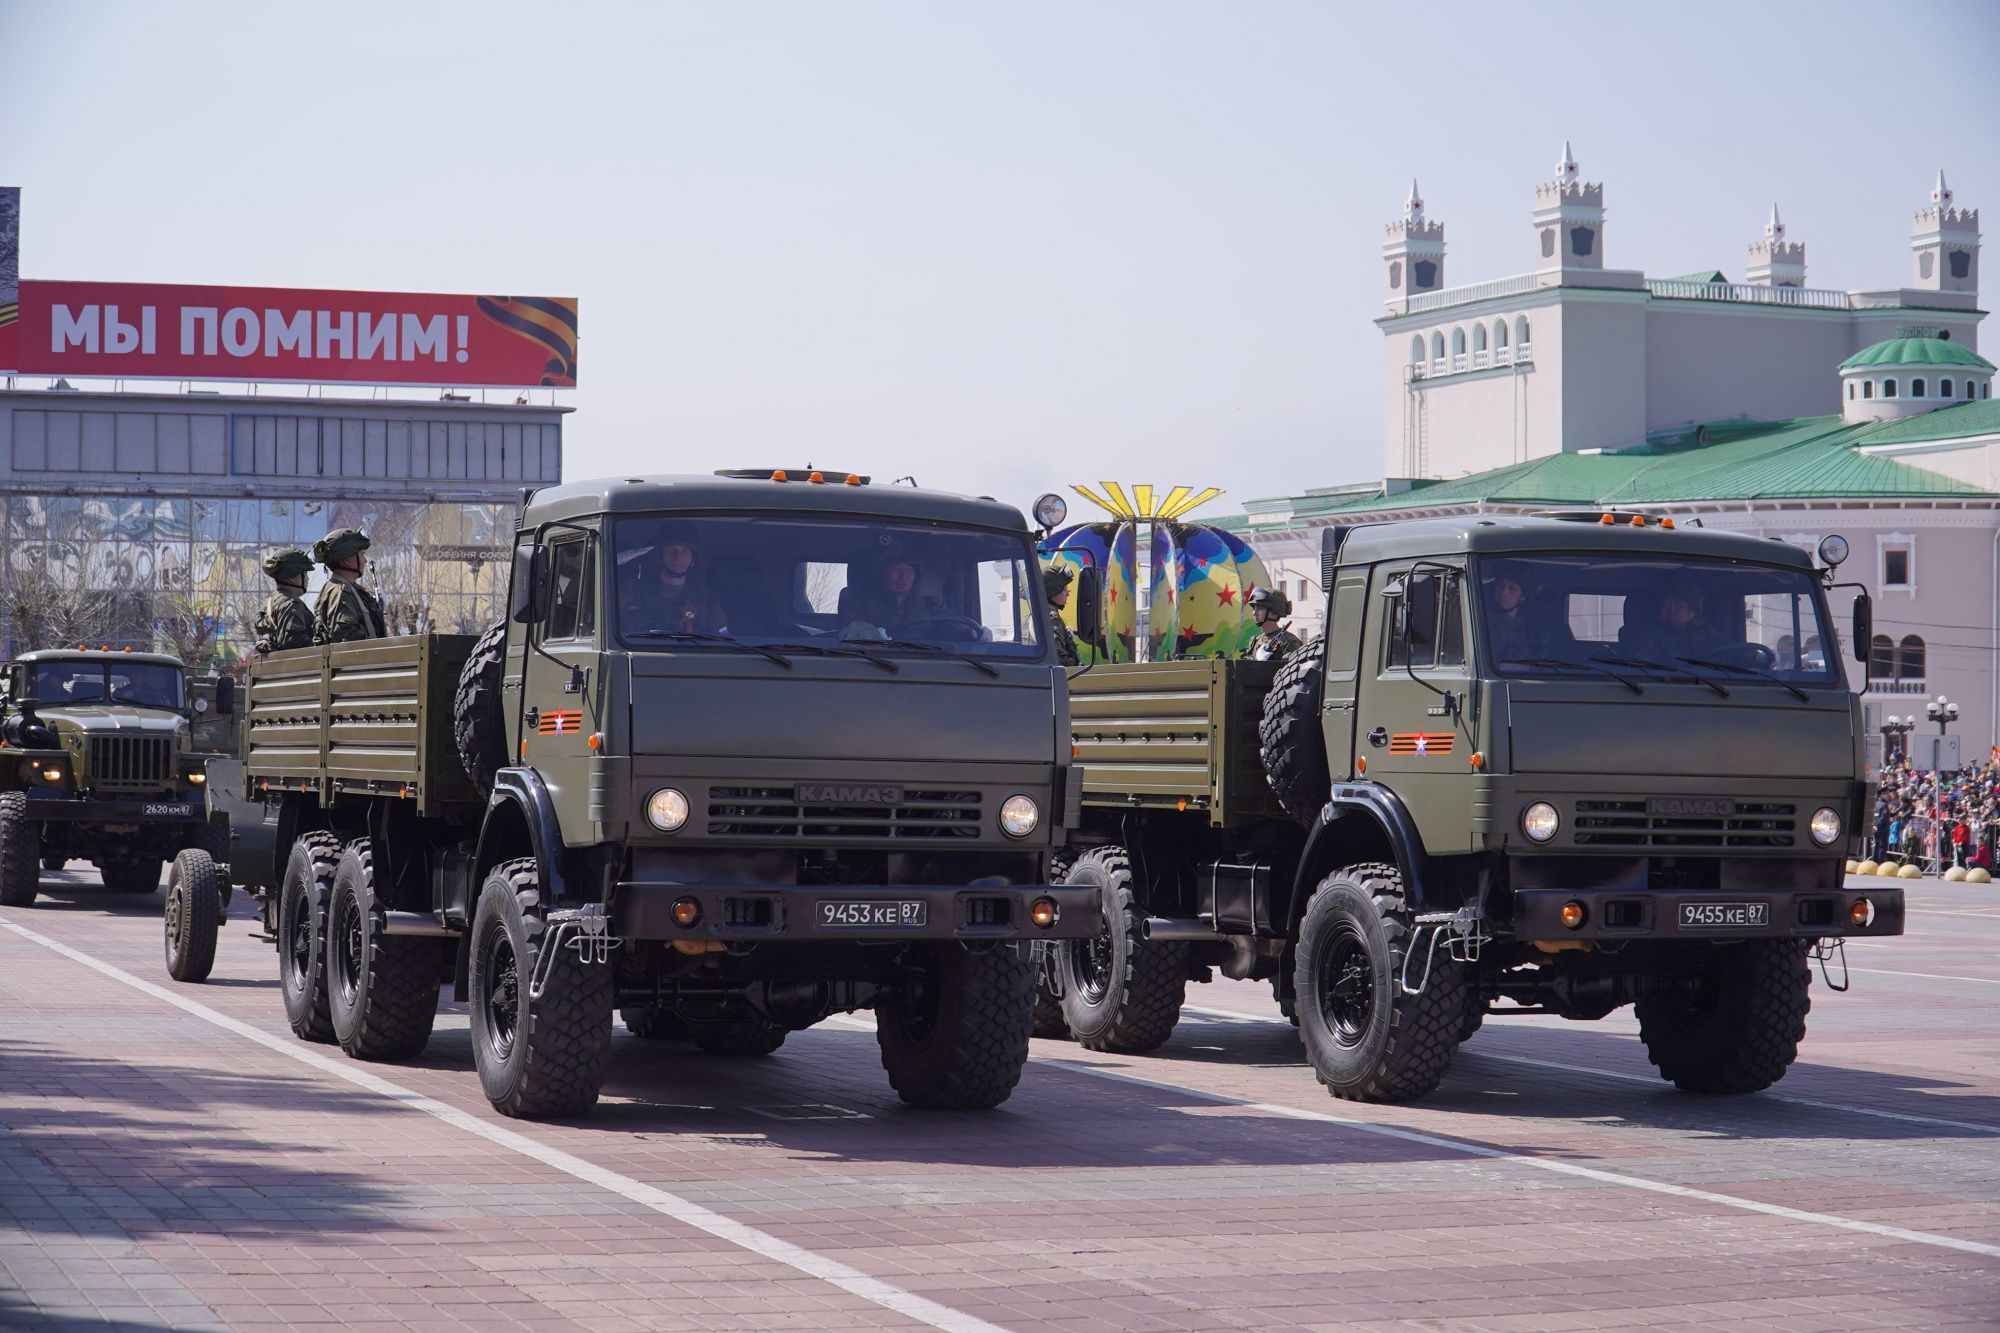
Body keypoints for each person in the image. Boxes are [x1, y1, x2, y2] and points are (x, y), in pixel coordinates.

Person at [621, 523, 725, 636]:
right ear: (659, 556)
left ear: (693, 560)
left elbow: (723, 638)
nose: (678, 557)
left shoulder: (706, 601)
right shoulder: (634, 595)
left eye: (685, 552)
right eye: (671, 550)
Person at [311, 528, 387, 645]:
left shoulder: (349, 589)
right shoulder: (340, 592)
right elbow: (347, 640)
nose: (365, 561)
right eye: (362, 555)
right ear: (347, 560)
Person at [845, 543, 939, 631]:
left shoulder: (930, 607)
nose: (903, 576)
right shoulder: (859, 604)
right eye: (896, 568)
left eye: (909, 569)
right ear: (881, 573)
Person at [253, 547, 316, 654]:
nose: (307, 578)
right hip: (298, 668)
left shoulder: (271, 601)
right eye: (304, 573)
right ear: (292, 576)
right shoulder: (291, 604)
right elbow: (293, 642)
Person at [1483, 571, 1547, 663]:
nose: (1504, 592)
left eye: (1512, 588)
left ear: (1523, 597)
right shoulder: (1479, 621)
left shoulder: (1534, 633)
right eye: (1500, 585)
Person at [1247, 587, 1303, 664]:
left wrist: (1267, 663)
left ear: (1274, 613)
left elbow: (1291, 671)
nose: (1254, 613)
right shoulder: (1256, 641)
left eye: (1260, 608)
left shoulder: (1289, 642)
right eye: (1254, 608)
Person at [1044, 564, 1080, 666]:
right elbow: (1061, 661)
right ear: (1053, 590)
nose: (1068, 593)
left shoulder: (1042, 616)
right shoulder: (1052, 619)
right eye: (1064, 589)